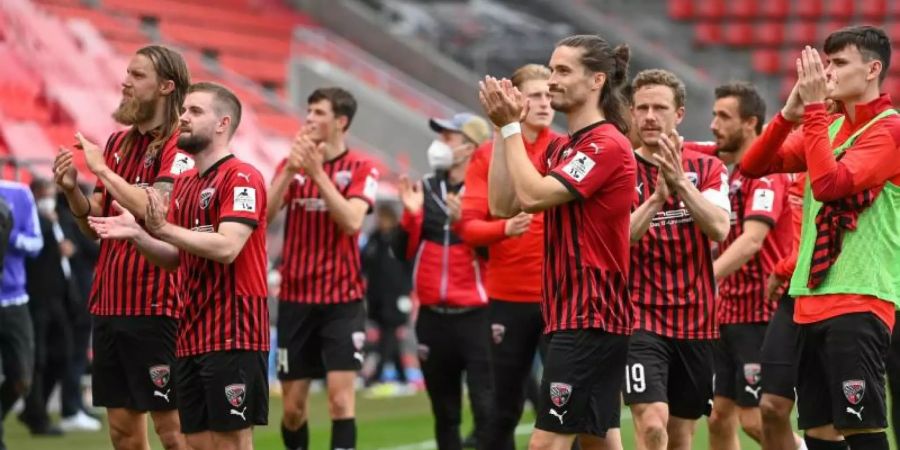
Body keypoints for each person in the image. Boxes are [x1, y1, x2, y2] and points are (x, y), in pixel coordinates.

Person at [742, 25, 900, 450]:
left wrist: (813, 111)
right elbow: (753, 164)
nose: (828, 72)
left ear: (872, 70)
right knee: (818, 431)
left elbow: (831, 184)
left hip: (860, 296)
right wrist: (790, 113)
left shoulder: (890, 130)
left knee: (861, 428)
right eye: (826, 62)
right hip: (810, 302)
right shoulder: (827, 128)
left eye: (839, 63)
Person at [89, 81, 270, 450]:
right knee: (197, 443)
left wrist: (162, 228)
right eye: (184, 110)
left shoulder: (242, 177)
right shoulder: (186, 184)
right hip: (190, 333)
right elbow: (177, 256)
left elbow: (226, 247)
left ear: (223, 124)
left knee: (230, 443)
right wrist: (138, 236)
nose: (183, 118)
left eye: (195, 112)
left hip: (234, 330)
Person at [481, 34, 635, 450]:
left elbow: (532, 196)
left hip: (591, 314)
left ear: (596, 81)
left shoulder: (604, 144)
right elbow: (503, 203)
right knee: (596, 439)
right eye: (551, 69)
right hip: (571, 312)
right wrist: (502, 128)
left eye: (563, 70)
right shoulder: (565, 148)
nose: (552, 80)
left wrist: (512, 125)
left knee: (545, 443)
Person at [52, 45, 193, 450]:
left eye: (137, 75)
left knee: (173, 433)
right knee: (123, 435)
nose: (125, 82)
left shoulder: (179, 144)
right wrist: (73, 193)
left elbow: (157, 210)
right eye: (126, 73)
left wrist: (101, 170)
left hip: (159, 309)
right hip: (110, 306)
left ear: (166, 86)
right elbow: (95, 222)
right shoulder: (117, 143)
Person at [454, 63, 560, 450]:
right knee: (503, 409)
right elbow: (468, 228)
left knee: (569, 405)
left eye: (549, 94)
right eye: (535, 95)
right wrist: (505, 228)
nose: (545, 103)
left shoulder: (564, 148)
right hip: (508, 299)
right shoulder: (487, 154)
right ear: (514, 99)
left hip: (559, 298)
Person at [267, 87, 379, 450]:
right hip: (296, 301)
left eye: (319, 113)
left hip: (342, 301)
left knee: (340, 400)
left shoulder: (362, 167)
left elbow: (351, 222)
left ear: (340, 122)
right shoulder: (290, 165)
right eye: (309, 111)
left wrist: (317, 175)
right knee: (294, 410)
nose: (309, 119)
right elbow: (262, 217)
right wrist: (291, 173)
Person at [625, 69, 730, 450]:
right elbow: (620, 241)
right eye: (643, 108)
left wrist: (680, 184)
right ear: (632, 114)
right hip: (638, 317)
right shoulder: (619, 170)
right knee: (652, 425)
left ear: (680, 114)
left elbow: (719, 228)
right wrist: (655, 198)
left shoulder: (707, 169)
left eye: (660, 108)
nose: (650, 116)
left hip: (696, 321)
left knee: (681, 436)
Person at [396, 111, 493, 450]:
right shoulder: (423, 188)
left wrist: (464, 222)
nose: (439, 143)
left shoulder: (489, 191)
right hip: (433, 319)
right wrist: (410, 215)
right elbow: (401, 253)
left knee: (486, 408)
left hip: (478, 317)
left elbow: (494, 254)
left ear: (470, 147)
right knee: (445, 412)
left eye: (448, 137)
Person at [707, 82, 792, 450]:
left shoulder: (767, 173)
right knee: (718, 416)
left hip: (760, 315)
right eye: (714, 114)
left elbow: (752, 241)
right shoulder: (728, 173)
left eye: (723, 116)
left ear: (750, 123)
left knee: (757, 421)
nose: (713, 124)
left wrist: (700, 280)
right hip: (728, 313)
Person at [20, 179, 78, 436]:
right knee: (38, 359)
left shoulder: (58, 219)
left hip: (58, 298)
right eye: (44, 194)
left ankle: (36, 408)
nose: (49, 198)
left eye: (52, 193)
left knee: (63, 354)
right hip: (36, 298)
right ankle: (36, 416)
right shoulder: (33, 220)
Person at [759, 173, 807, 450]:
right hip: (793, 299)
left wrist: (780, 270)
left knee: (835, 420)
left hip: (838, 301)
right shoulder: (794, 174)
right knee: (770, 407)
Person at [0, 179, 42, 450]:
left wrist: (8, 233)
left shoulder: (19, 193)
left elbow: (36, 243)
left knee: (22, 380)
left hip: (14, 300)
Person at [361, 203, 412, 390]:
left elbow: (409, 266)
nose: (380, 222)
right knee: (389, 338)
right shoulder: (374, 238)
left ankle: (375, 377)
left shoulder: (400, 238)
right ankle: (403, 377)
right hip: (377, 297)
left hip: (397, 297)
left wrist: (407, 292)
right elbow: (364, 262)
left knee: (388, 337)